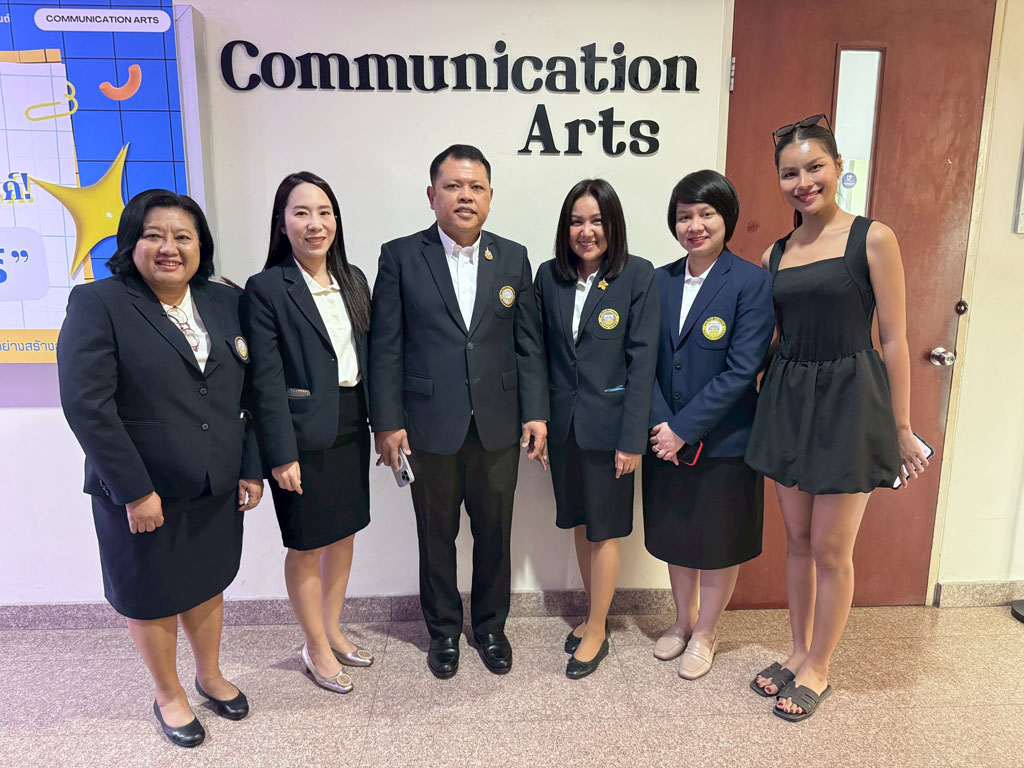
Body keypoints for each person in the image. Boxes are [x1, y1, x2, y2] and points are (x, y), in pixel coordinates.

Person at [57, 189, 263, 748]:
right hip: (143, 490)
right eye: (155, 235)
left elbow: (244, 393)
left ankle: (209, 675)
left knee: (207, 582)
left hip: (215, 480)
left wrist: (249, 466)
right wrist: (134, 490)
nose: (169, 247)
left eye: (183, 237)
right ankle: (168, 693)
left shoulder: (224, 301)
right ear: (132, 242)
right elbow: (87, 404)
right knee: (150, 593)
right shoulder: (99, 302)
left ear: (201, 247)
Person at [745, 115, 929, 721]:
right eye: (789, 173)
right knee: (797, 541)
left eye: (814, 167)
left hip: (851, 399)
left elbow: (895, 339)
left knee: (830, 547)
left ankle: (820, 667)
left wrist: (901, 427)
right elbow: (773, 337)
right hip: (789, 397)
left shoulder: (873, 238)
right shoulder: (774, 253)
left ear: (838, 166)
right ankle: (799, 652)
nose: (803, 182)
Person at [369, 144, 548, 678]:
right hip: (427, 427)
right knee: (436, 535)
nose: (464, 196)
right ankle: (444, 631)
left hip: (497, 425)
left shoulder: (512, 257)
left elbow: (528, 345)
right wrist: (388, 423)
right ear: (432, 195)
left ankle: (491, 627)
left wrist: (535, 413)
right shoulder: (401, 256)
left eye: (475, 187)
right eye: (452, 186)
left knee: (495, 535)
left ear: (490, 197)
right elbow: (386, 347)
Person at [243, 172, 373, 694]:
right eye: (301, 213)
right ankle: (314, 645)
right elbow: (264, 381)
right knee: (305, 544)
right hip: (300, 434)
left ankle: (333, 629)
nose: (315, 224)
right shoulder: (267, 288)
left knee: (343, 534)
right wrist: (280, 454)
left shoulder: (353, 279)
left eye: (324, 212)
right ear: (282, 224)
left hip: (352, 424)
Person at [642, 170, 775, 680]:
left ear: (727, 218)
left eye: (706, 214)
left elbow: (742, 370)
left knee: (719, 540)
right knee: (677, 535)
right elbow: (644, 362)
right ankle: (681, 621)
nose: (694, 225)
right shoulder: (657, 280)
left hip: (724, 440)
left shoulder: (751, 282)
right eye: (684, 216)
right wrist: (662, 426)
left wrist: (684, 429)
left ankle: (706, 632)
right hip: (664, 440)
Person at [534, 179, 658, 679]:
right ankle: (592, 615)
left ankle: (599, 629)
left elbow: (642, 362)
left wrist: (632, 439)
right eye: (576, 222)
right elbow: (539, 353)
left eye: (597, 221)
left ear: (613, 226)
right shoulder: (549, 277)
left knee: (605, 530)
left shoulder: (637, 275)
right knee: (581, 524)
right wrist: (540, 421)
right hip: (564, 428)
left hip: (611, 430)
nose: (586, 232)